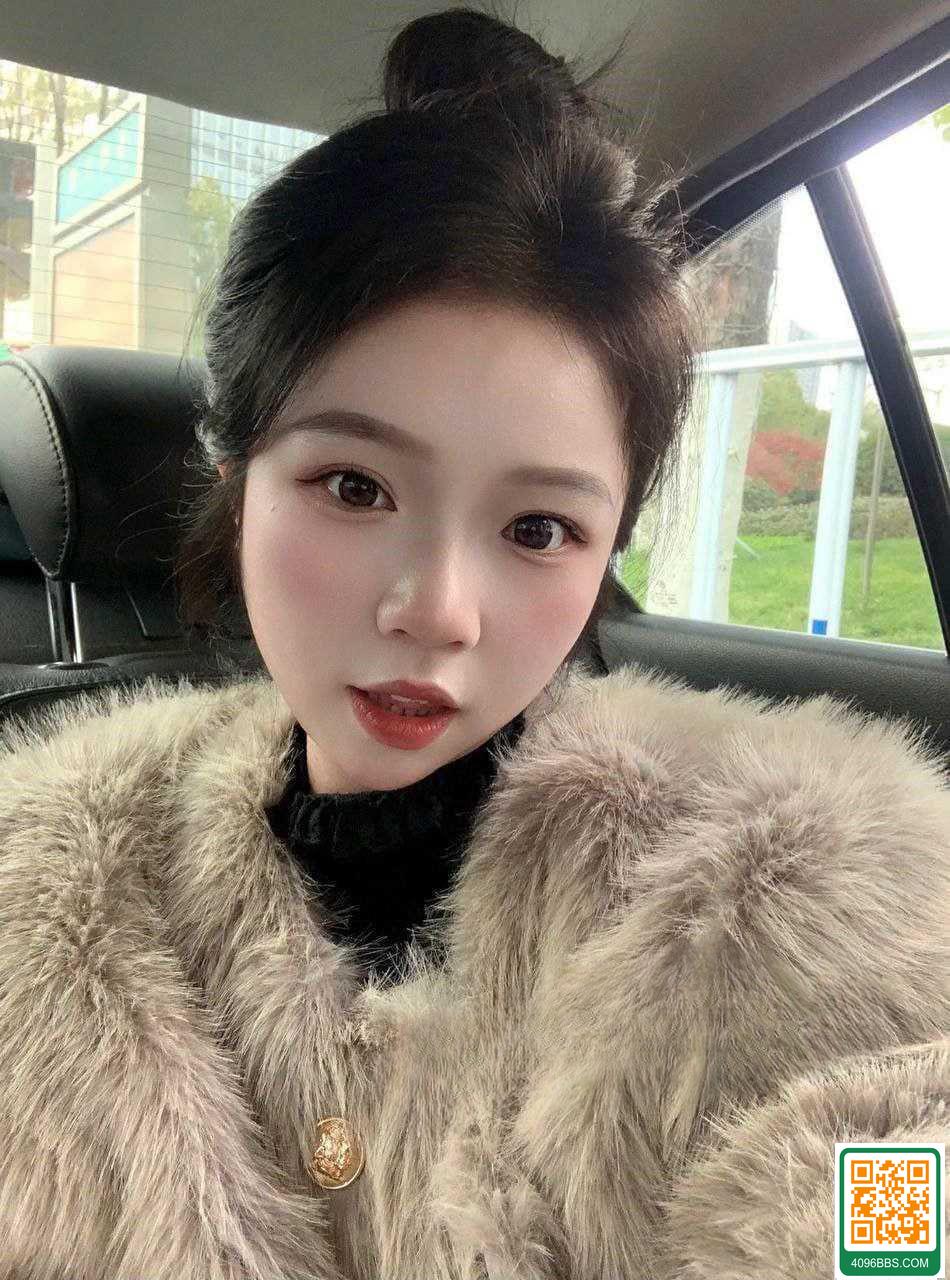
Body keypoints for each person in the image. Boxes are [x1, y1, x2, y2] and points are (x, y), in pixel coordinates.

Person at [0, 7, 947, 1279]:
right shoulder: (43, 881)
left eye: (537, 527)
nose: (438, 608)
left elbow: (897, 1198)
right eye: (353, 487)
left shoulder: (807, 892)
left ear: (607, 547)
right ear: (235, 477)